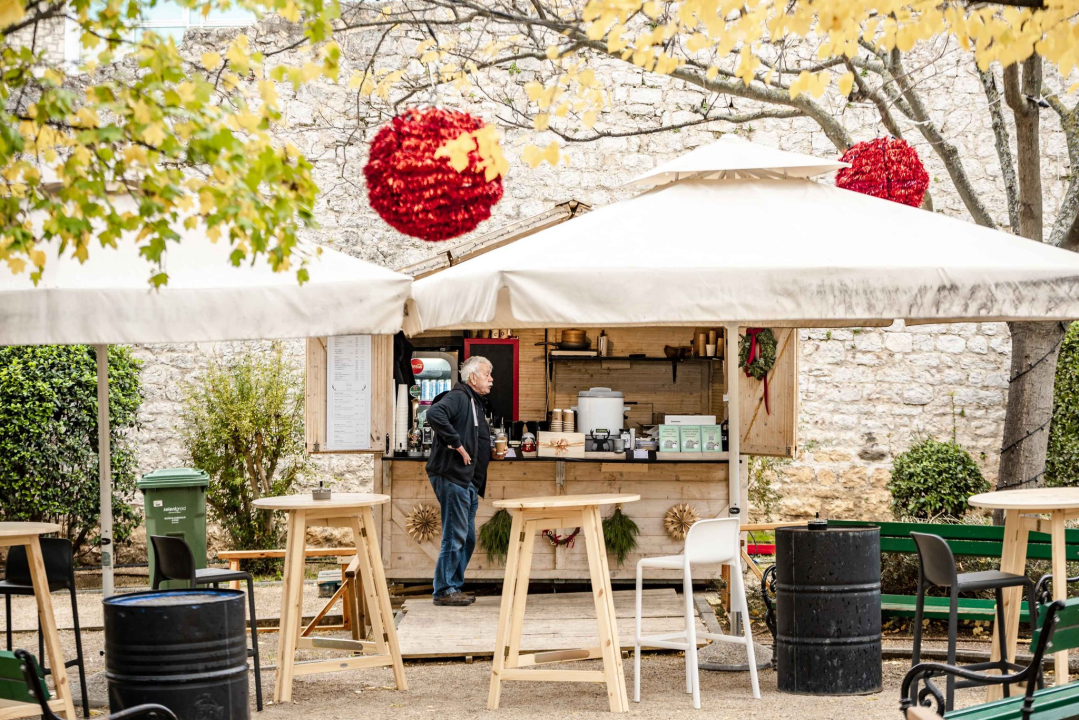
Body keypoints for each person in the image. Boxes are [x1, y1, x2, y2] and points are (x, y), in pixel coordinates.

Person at [424, 355, 493, 606]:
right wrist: (457, 444)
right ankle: (444, 590)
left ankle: (453, 586)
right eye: (487, 374)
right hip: (452, 476)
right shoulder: (459, 396)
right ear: (473, 377)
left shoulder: (475, 402)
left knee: (467, 536)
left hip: (468, 481)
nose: (491, 379)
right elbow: (434, 414)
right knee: (455, 534)